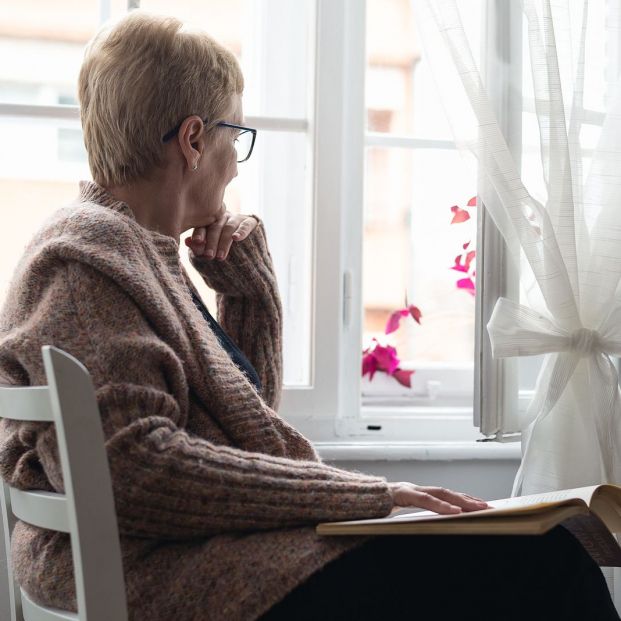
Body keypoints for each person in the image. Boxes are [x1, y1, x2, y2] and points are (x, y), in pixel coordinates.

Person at [0, 10, 616, 621]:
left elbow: (251, 434)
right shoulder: (84, 261)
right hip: (149, 571)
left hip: (189, 556)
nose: (237, 164)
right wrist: (373, 495)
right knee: (549, 563)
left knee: (540, 555)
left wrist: (248, 291)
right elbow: (136, 472)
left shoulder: (136, 253)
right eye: (233, 137)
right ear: (193, 140)